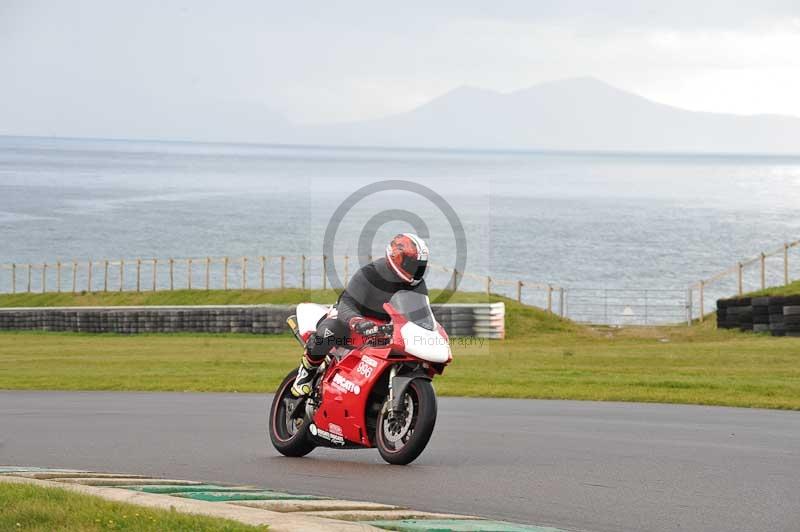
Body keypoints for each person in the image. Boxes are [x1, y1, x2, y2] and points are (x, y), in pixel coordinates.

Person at [291, 233, 429, 397]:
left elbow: (421, 314)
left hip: (385, 330)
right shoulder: (370, 273)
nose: (417, 270)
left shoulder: (417, 285)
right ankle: (306, 373)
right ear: (397, 258)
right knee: (331, 329)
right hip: (352, 320)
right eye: (413, 264)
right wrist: (357, 321)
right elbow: (346, 303)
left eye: (421, 265)